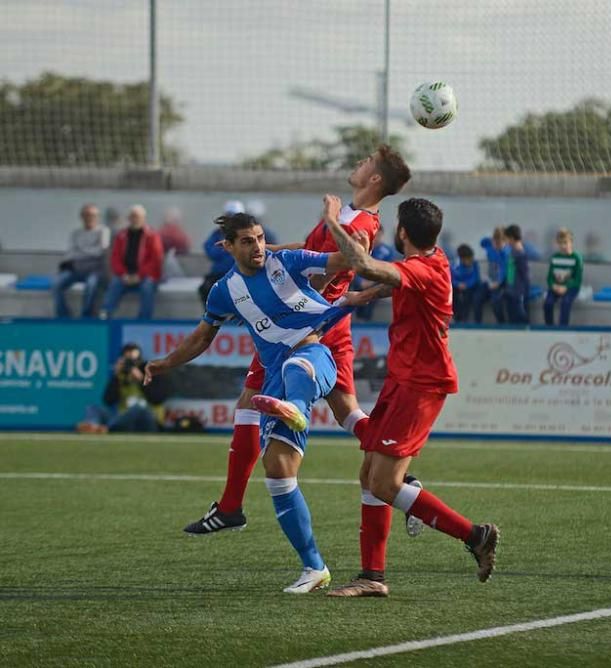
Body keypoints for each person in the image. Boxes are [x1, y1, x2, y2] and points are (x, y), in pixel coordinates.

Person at [181, 145, 419, 537]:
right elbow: (310, 254)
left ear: (374, 179)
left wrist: (304, 294)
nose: (358, 164)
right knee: (346, 412)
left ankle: (230, 508)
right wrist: (273, 252)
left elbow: (350, 257)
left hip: (305, 324)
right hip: (320, 321)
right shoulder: (347, 214)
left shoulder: (358, 221)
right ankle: (403, 482)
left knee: (251, 403)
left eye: (366, 163)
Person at [145, 212, 356, 593]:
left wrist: (332, 223)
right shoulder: (225, 291)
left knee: (303, 368)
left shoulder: (288, 262)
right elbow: (201, 338)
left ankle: (297, 408)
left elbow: (349, 259)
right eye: (247, 241)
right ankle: (315, 568)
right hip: (274, 380)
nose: (257, 246)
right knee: (277, 471)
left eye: (259, 238)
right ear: (227, 246)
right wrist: (164, 363)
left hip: (316, 355)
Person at [323, 195, 499, 597]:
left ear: (403, 232)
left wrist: (333, 220)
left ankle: (475, 535)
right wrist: (362, 297)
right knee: (369, 474)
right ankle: (372, 576)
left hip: (421, 385)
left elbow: (366, 265)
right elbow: (394, 280)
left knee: (385, 484)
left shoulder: (422, 268)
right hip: (404, 380)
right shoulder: (432, 261)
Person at [77, 343, 168, 433]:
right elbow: (108, 400)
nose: (131, 365)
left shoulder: (152, 372)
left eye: (132, 362)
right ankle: (92, 426)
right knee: (93, 408)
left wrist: (140, 380)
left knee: (137, 409)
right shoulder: (121, 376)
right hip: (123, 419)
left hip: (148, 418)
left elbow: (158, 398)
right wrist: (116, 377)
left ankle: (107, 428)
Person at [199, 201, 277, 305]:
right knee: (207, 289)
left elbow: (270, 251)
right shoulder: (218, 234)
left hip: (248, 273)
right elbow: (211, 250)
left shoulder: (261, 232)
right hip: (221, 274)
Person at [99, 205, 164, 320]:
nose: (135, 219)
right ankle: (106, 317)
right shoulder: (121, 236)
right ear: (128, 218)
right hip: (125, 275)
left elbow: (156, 260)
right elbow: (115, 259)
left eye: (138, 217)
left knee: (147, 288)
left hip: (145, 276)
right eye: (132, 217)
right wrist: (123, 274)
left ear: (143, 218)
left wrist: (139, 275)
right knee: (114, 284)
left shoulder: (152, 236)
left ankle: (144, 320)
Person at [53, 203, 110, 319]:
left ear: (97, 217)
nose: (90, 218)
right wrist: (87, 252)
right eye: (87, 215)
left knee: (91, 285)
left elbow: (101, 251)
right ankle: (64, 316)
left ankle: (86, 316)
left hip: (94, 270)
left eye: (93, 215)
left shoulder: (103, 231)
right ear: (82, 217)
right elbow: (71, 253)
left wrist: (81, 250)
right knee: (56, 284)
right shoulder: (76, 233)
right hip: (75, 269)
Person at [543, 228, 584, 327]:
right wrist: (553, 286)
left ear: (571, 242)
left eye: (565, 242)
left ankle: (563, 328)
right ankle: (549, 327)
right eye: (560, 243)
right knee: (547, 303)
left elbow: (577, 279)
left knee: (565, 303)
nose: (563, 246)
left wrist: (566, 287)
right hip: (556, 287)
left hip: (570, 288)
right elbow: (549, 277)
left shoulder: (577, 258)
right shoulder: (555, 257)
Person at [355, 227, 397, 321]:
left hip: (377, 285)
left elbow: (389, 272)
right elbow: (354, 267)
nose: (376, 238)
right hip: (359, 285)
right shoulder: (361, 249)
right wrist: (360, 281)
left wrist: (371, 282)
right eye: (374, 235)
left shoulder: (387, 252)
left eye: (378, 235)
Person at [480, 227, 510, 323]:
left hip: (501, 282)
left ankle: (502, 323)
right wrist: (492, 239)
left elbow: (504, 269)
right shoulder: (490, 247)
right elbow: (482, 242)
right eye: (495, 243)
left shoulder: (506, 252)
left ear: (504, 241)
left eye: (499, 243)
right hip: (490, 280)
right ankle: (477, 324)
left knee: (495, 300)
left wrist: (498, 282)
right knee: (477, 297)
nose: (497, 246)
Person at [451, 244, 485, 323]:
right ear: (462, 259)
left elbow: (475, 278)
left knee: (468, 296)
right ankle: (456, 317)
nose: (470, 261)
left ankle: (465, 319)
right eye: (467, 259)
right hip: (458, 287)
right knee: (453, 294)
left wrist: (467, 284)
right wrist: (458, 284)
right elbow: (451, 279)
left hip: (470, 288)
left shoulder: (474, 264)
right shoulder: (455, 265)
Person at [503, 224, 530, 324]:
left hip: (518, 292)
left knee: (520, 316)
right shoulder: (512, 252)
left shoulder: (521, 254)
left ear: (512, 238)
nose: (506, 242)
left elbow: (525, 275)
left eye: (507, 239)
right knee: (511, 317)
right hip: (510, 290)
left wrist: (524, 293)